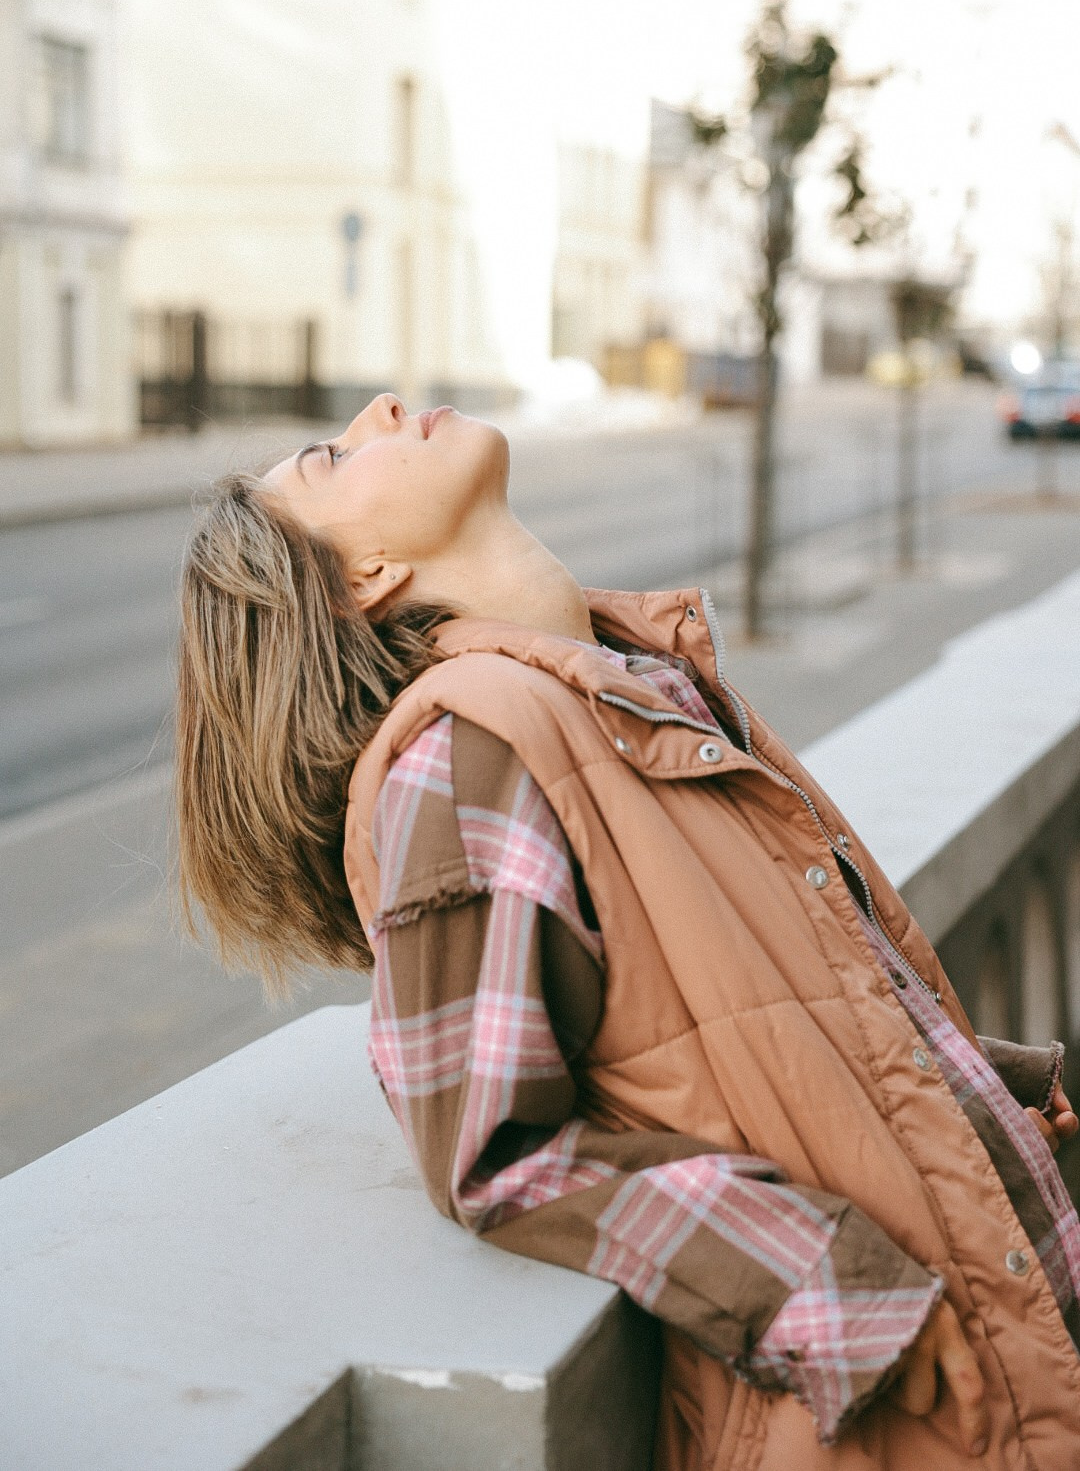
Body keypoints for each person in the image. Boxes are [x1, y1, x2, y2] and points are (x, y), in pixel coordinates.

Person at [176, 394, 1080, 1469]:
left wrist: (962, 1086)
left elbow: (751, 1003)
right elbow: (491, 1150)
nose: (379, 409)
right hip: (899, 1407)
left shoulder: (623, 687)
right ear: (363, 577)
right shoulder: (466, 757)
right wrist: (809, 1272)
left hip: (992, 1332)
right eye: (334, 457)